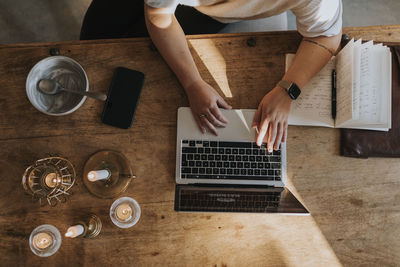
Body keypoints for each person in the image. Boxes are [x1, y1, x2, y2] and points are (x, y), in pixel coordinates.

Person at [81, 0, 342, 152]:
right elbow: (159, 15)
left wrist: (288, 90)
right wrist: (192, 82)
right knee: (94, 47)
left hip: (212, 13)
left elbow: (325, 35)